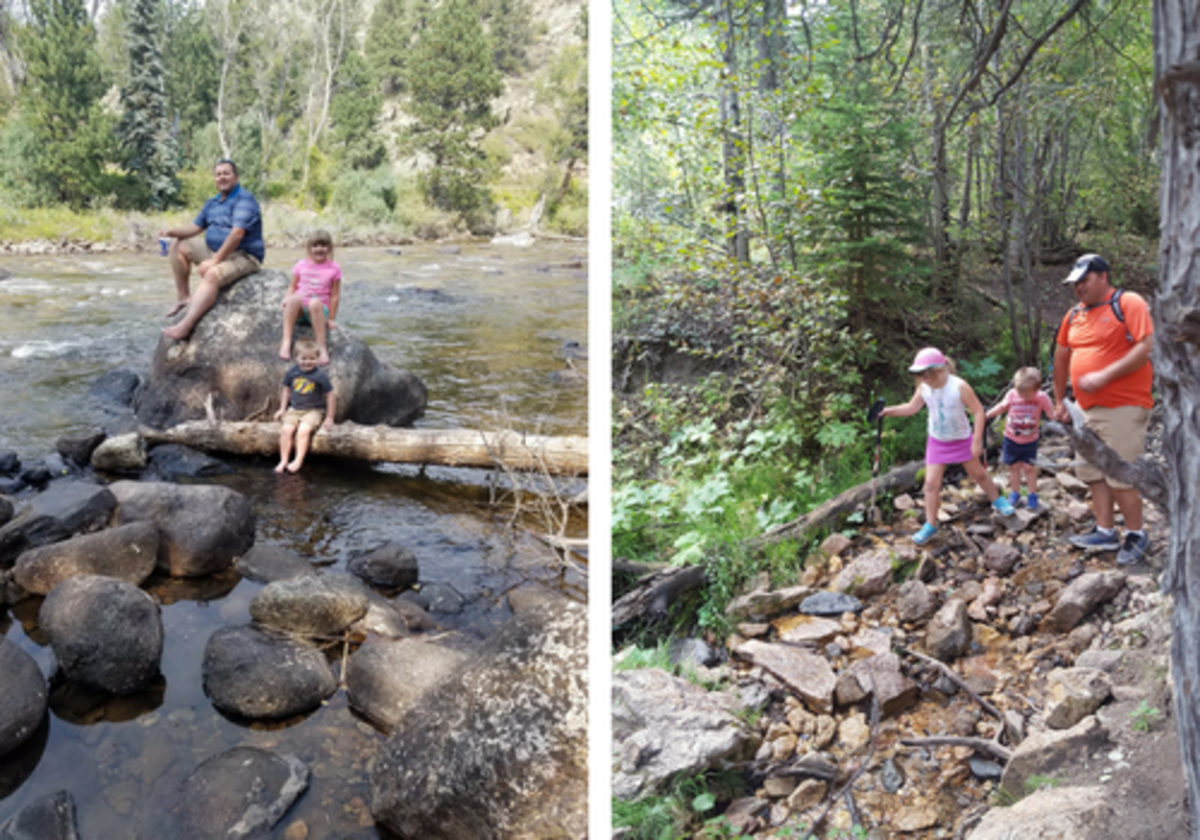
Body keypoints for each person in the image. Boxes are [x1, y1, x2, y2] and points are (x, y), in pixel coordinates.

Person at [1052, 253, 1155, 565]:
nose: (1078, 288)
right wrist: (1059, 400)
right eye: (1075, 283)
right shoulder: (1074, 315)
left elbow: (1145, 346)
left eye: (1084, 281)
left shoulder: (1128, 303)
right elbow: (1061, 357)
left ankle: (1137, 535)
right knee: (1093, 472)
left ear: (1103, 277)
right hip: (1085, 409)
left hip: (1124, 405)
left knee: (1120, 473)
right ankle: (1105, 530)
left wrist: (1105, 375)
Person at [879, 347, 1017, 545]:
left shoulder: (958, 386)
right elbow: (912, 407)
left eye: (928, 376)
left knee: (978, 475)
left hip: (961, 439)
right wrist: (888, 411)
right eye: (921, 377)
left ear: (941, 370)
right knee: (930, 484)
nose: (925, 380)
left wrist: (977, 441)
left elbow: (978, 412)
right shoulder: (924, 387)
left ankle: (997, 500)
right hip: (937, 441)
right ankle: (931, 523)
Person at [159, 158, 265, 341]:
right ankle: (183, 298)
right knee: (179, 244)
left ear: (236, 177)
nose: (222, 177)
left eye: (226, 173)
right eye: (218, 174)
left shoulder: (245, 199)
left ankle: (186, 326)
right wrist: (171, 231)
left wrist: (214, 260)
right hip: (217, 251)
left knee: (211, 274)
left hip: (245, 256)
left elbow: (237, 234)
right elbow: (194, 228)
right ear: (214, 178)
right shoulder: (212, 203)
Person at [986, 367, 1056, 511]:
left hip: (1030, 441)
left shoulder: (1042, 397)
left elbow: (1050, 412)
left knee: (1029, 468)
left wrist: (1058, 415)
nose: (1023, 397)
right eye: (1020, 393)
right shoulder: (1012, 394)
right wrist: (988, 414)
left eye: (1027, 395)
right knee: (1013, 467)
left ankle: (1032, 495)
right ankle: (1015, 493)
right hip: (1011, 439)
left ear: (1038, 389)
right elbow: (1002, 406)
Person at [274, 337, 336, 474]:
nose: (308, 362)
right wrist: (282, 409)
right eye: (304, 358)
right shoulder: (292, 372)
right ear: (296, 357)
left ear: (318, 358)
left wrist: (330, 417)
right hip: (294, 409)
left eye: (312, 358)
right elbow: (286, 390)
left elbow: (330, 395)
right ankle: (283, 459)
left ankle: (298, 460)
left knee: (303, 430)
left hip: (313, 411)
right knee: (286, 430)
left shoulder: (320, 376)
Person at [280, 229, 341, 365]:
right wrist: (286, 299)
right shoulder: (301, 264)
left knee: (314, 302)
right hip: (301, 310)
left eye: (323, 245)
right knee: (294, 299)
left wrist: (331, 318)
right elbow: (292, 287)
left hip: (318, 310)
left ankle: (322, 347)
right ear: (309, 248)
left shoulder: (334, 268)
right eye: (315, 246)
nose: (319, 249)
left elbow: (335, 295)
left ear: (329, 248)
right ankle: (286, 342)